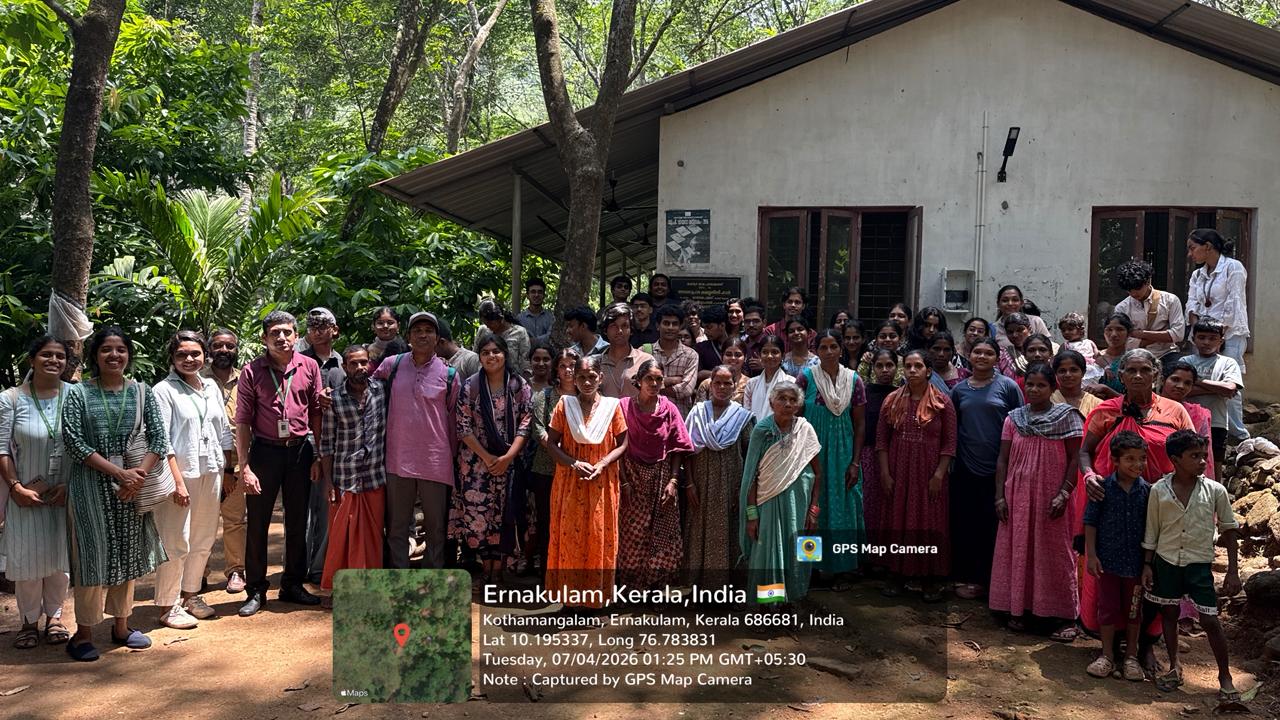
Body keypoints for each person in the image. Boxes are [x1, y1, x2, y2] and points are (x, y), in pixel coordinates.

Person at [1078, 349, 1196, 664]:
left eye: (1145, 369)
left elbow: (1192, 457)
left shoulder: (1174, 412)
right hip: (1114, 507)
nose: (1138, 376)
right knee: (1114, 574)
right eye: (1131, 370)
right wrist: (1089, 475)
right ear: (1120, 375)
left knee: (1156, 573)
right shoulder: (1105, 411)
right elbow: (1085, 452)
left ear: (1156, 373)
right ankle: (1112, 644)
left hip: (1162, 508)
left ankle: (1146, 644)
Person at [62, 327, 168, 660]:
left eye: (120, 349)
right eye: (106, 349)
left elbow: (159, 440)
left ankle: (121, 627)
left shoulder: (142, 391)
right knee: (92, 559)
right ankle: (83, 634)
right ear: (95, 355)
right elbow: (74, 443)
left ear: (128, 355)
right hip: (91, 488)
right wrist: (119, 473)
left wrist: (136, 478)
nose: (114, 355)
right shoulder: (78, 394)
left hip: (132, 488)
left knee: (128, 555)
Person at [234, 311, 324, 616]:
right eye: (275, 333)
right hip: (264, 453)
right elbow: (243, 421)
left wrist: (319, 455)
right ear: (264, 338)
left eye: (287, 332)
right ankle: (256, 589)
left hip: (300, 452)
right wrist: (244, 466)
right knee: (257, 522)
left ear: (296, 336)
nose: (281, 338)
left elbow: (316, 413)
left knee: (298, 521)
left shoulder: (309, 366)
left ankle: (292, 584)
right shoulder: (251, 371)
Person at [1141, 430, 1240, 701]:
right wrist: (1148, 565)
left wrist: (1233, 570)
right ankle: (1175, 666)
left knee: (1210, 620)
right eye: (1194, 456)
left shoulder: (1215, 491)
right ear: (1175, 459)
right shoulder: (1158, 491)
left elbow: (1230, 530)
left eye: (1203, 456)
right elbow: (1152, 532)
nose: (1201, 461)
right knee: (1169, 614)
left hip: (1199, 564)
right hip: (1167, 561)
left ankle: (1225, 676)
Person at [989, 363, 1083, 638]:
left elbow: (1076, 458)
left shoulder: (1068, 417)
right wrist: (999, 497)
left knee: (1054, 552)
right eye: (1029, 384)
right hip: (1017, 495)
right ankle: (1018, 609)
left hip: (1053, 498)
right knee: (1018, 549)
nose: (1034, 389)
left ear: (1053, 388)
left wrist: (1064, 493)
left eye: (1041, 385)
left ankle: (1061, 616)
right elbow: (1003, 459)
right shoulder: (1013, 418)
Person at [152, 331, 234, 629]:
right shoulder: (163, 390)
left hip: (211, 471)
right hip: (180, 474)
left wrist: (228, 472)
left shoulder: (210, 386)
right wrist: (177, 481)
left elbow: (224, 431)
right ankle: (167, 604)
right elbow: (161, 440)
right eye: (182, 355)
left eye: (195, 354)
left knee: (202, 538)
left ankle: (190, 595)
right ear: (172, 358)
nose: (189, 359)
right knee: (176, 540)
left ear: (204, 356)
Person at [374, 311, 461, 571]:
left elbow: (455, 419)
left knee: (436, 528)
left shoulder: (450, 374)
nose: (423, 335)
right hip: (397, 458)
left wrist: (453, 457)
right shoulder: (392, 365)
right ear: (409, 336)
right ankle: (399, 578)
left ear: (437, 338)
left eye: (429, 331)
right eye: (417, 330)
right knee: (397, 526)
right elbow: (367, 395)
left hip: (436, 461)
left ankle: (430, 580)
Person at [1, 337, 72, 649]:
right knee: (26, 560)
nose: (53, 360)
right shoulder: (11, 399)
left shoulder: (76, 395)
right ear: (32, 360)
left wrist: (70, 486)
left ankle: (55, 617)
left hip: (64, 491)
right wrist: (15, 488)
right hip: (25, 494)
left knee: (61, 559)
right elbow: (1, 448)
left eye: (59, 356)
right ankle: (28, 621)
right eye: (46, 355)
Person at [544, 354, 628, 609]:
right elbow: (551, 443)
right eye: (581, 377)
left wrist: (602, 464)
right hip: (571, 481)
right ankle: (569, 601)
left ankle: (595, 600)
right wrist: (573, 462)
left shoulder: (612, 407)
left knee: (598, 536)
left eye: (592, 376)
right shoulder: (564, 405)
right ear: (574, 379)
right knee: (570, 537)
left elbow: (623, 443)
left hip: (602, 482)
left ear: (600, 377)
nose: (587, 382)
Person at [876, 349, 957, 602]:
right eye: (908, 366)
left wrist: (939, 475)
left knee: (929, 522)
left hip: (929, 474)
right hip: (899, 471)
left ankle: (929, 578)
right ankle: (897, 575)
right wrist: (886, 473)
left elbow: (949, 443)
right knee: (897, 521)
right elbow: (882, 440)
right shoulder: (891, 400)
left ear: (928, 371)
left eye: (918, 366)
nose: (912, 371)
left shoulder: (942, 402)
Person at [452, 332, 532, 584]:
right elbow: (463, 427)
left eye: (496, 352)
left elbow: (526, 424)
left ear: (505, 355)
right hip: (476, 465)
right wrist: (487, 458)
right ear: (479, 356)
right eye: (485, 352)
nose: (491, 356)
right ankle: (486, 568)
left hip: (509, 463)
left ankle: (500, 569)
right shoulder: (471, 386)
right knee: (479, 516)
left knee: (505, 513)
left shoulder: (519, 386)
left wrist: (508, 457)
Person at [949, 337, 1023, 600]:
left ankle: (992, 581)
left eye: (988, 353)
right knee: (966, 524)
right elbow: (953, 427)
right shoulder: (959, 390)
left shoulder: (1009, 387)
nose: (981, 357)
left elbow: (1019, 423)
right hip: (966, 468)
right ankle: (966, 576)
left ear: (996, 357)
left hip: (999, 469)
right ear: (969, 355)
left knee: (993, 525)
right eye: (977, 352)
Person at [739, 382, 822, 605]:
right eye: (782, 398)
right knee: (767, 555)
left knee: (803, 551)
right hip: (768, 504)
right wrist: (752, 515)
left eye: (793, 400)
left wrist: (814, 509)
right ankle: (768, 608)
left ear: (799, 404)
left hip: (801, 506)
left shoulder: (806, 429)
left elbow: (818, 474)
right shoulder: (762, 430)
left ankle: (796, 601)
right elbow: (751, 478)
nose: (787, 404)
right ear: (771, 402)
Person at [795, 330, 866, 588]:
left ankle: (841, 569)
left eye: (833, 346)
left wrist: (855, 462)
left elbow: (859, 424)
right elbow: (796, 418)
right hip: (811, 453)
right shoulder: (805, 378)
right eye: (822, 347)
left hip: (844, 453)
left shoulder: (853, 380)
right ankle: (811, 568)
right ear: (816, 350)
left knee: (844, 509)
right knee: (812, 510)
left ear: (840, 349)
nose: (828, 352)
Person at [616, 361, 694, 590]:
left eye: (659, 379)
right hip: (631, 474)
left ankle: (657, 590)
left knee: (663, 534)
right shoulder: (623, 407)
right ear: (638, 381)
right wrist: (624, 482)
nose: (654, 383)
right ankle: (629, 588)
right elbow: (615, 446)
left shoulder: (668, 408)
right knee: (632, 535)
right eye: (649, 378)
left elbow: (678, 447)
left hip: (662, 476)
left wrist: (673, 481)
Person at [1083, 431, 1151, 682]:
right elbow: (1090, 522)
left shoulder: (1149, 492)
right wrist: (1091, 556)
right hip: (1108, 563)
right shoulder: (1103, 488)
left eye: (1142, 459)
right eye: (1130, 459)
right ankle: (1107, 655)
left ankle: (1131, 656)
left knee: (1134, 610)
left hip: (1135, 566)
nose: (1138, 465)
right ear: (1115, 460)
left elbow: (1152, 531)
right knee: (1108, 609)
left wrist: (1147, 564)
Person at [318, 345, 387, 589]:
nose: (360, 368)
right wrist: (327, 481)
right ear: (345, 367)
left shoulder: (382, 391)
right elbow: (326, 443)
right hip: (344, 479)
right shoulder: (334, 399)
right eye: (354, 363)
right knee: (341, 537)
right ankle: (337, 588)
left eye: (364, 362)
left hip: (374, 477)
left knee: (373, 536)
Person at [683, 365, 754, 586]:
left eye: (727, 383)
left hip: (730, 485)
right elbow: (687, 452)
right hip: (701, 485)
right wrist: (690, 484)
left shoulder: (742, 417)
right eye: (718, 383)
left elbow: (749, 456)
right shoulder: (697, 413)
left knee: (729, 534)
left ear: (735, 386)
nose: (722, 387)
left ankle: (728, 589)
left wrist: (740, 491)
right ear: (710, 385)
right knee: (698, 532)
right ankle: (699, 588)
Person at [1186, 228, 1250, 443]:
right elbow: (1192, 305)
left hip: (1229, 333)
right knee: (1200, 378)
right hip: (1203, 334)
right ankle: (1202, 426)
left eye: (1193, 248)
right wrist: (1199, 333)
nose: (1190, 254)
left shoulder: (1233, 268)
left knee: (1229, 381)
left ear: (1208, 247)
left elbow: (1234, 304)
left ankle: (1238, 434)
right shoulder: (1197, 274)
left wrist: (1218, 336)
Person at [202, 329, 247, 593]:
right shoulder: (196, 379)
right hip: (205, 463)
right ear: (210, 349)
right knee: (202, 521)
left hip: (238, 462)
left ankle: (236, 571)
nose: (224, 351)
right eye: (218, 346)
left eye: (230, 346)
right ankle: (198, 573)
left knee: (234, 520)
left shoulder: (246, 378)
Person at [527, 347, 579, 576]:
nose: (568, 370)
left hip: (578, 471)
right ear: (556, 369)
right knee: (548, 521)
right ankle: (549, 572)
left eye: (573, 366)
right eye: (563, 366)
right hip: (546, 470)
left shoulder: (587, 395)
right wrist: (563, 451)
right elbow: (539, 431)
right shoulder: (545, 396)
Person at [301, 308, 341, 585]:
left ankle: (319, 566)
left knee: (328, 503)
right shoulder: (299, 361)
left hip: (338, 445)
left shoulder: (344, 362)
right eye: (312, 325)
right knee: (304, 508)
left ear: (334, 330)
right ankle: (299, 566)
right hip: (305, 442)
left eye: (323, 325)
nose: (317, 330)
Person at [1179, 320, 1243, 466]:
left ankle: (1216, 489)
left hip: (1217, 422)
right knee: (1186, 462)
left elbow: (1229, 389)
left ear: (1221, 341)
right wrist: (1217, 389)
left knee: (1215, 463)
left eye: (1212, 338)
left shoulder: (1228, 363)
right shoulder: (1185, 361)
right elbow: (1182, 392)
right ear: (1193, 339)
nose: (1206, 342)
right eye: (1201, 337)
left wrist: (1197, 380)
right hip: (1188, 421)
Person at [1113, 259, 1185, 369]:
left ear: (1148, 282)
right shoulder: (1122, 308)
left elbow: (1178, 335)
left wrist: (1138, 334)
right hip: (1135, 356)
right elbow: (1125, 342)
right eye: (1129, 290)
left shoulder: (1170, 300)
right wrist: (1163, 334)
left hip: (1166, 354)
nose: (1133, 293)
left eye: (1137, 288)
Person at [860, 348, 898, 549]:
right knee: (869, 505)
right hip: (869, 455)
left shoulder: (902, 394)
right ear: (873, 368)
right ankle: (867, 553)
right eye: (880, 366)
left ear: (896, 367)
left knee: (890, 506)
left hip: (895, 456)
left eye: (889, 365)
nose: (885, 370)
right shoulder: (865, 393)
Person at [1161, 361, 1216, 479]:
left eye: (1187, 383)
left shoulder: (1199, 414)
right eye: (1175, 379)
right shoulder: (1149, 409)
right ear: (1162, 380)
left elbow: (1205, 453)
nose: (1181, 386)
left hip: (1186, 479)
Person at [651, 303, 699, 416]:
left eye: (674, 324)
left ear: (680, 326)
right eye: (666, 323)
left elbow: (686, 390)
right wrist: (672, 380)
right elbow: (638, 385)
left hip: (679, 418)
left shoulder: (691, 355)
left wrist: (653, 387)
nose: (670, 328)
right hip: (650, 417)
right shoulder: (645, 352)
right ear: (658, 326)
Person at [599, 302, 653, 400]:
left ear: (631, 329)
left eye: (624, 326)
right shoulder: (596, 363)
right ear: (605, 330)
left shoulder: (646, 361)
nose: (619, 331)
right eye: (614, 326)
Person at [476, 298, 531, 378]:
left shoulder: (519, 332)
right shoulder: (483, 331)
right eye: (485, 323)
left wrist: (523, 384)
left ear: (500, 319)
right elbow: (476, 357)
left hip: (513, 380)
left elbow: (525, 362)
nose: (488, 326)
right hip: (486, 379)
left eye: (490, 323)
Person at [743, 335, 794, 422]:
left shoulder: (791, 383)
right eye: (765, 352)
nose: (769, 356)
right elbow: (747, 414)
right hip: (754, 433)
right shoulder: (751, 384)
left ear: (783, 356)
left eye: (775, 352)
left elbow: (792, 413)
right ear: (759, 355)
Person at [1088, 313, 1134, 400]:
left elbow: (1136, 401)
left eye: (1119, 329)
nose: (1113, 334)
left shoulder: (1132, 361)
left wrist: (1106, 391)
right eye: (1109, 329)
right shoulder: (1093, 359)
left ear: (1129, 333)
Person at [1051, 349, 1103, 420]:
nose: (1068, 375)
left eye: (1074, 370)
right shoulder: (1048, 400)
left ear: (1083, 372)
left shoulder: (1096, 404)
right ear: (1056, 374)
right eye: (1062, 371)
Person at [695, 338, 747, 403]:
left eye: (738, 355)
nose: (733, 358)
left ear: (745, 358)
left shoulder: (750, 384)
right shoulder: (707, 384)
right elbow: (699, 411)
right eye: (728, 354)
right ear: (722, 356)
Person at [302, 307, 343, 383]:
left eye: (322, 327)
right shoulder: (299, 360)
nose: (317, 333)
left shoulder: (341, 362)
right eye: (312, 328)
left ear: (334, 330)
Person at [694, 304, 731, 382]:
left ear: (722, 325)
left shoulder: (736, 345)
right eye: (704, 328)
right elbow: (697, 374)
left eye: (709, 327)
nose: (706, 332)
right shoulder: (701, 347)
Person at [517, 277, 554, 343]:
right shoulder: (520, 319)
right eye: (533, 292)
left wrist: (533, 340)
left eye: (540, 292)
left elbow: (551, 336)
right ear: (527, 295)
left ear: (544, 295)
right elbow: (521, 340)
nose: (536, 295)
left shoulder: (551, 317)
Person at [741, 303, 769, 377]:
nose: (751, 325)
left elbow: (784, 369)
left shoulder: (771, 344)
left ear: (764, 323)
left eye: (756, 321)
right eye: (747, 321)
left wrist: (765, 366)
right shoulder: (741, 344)